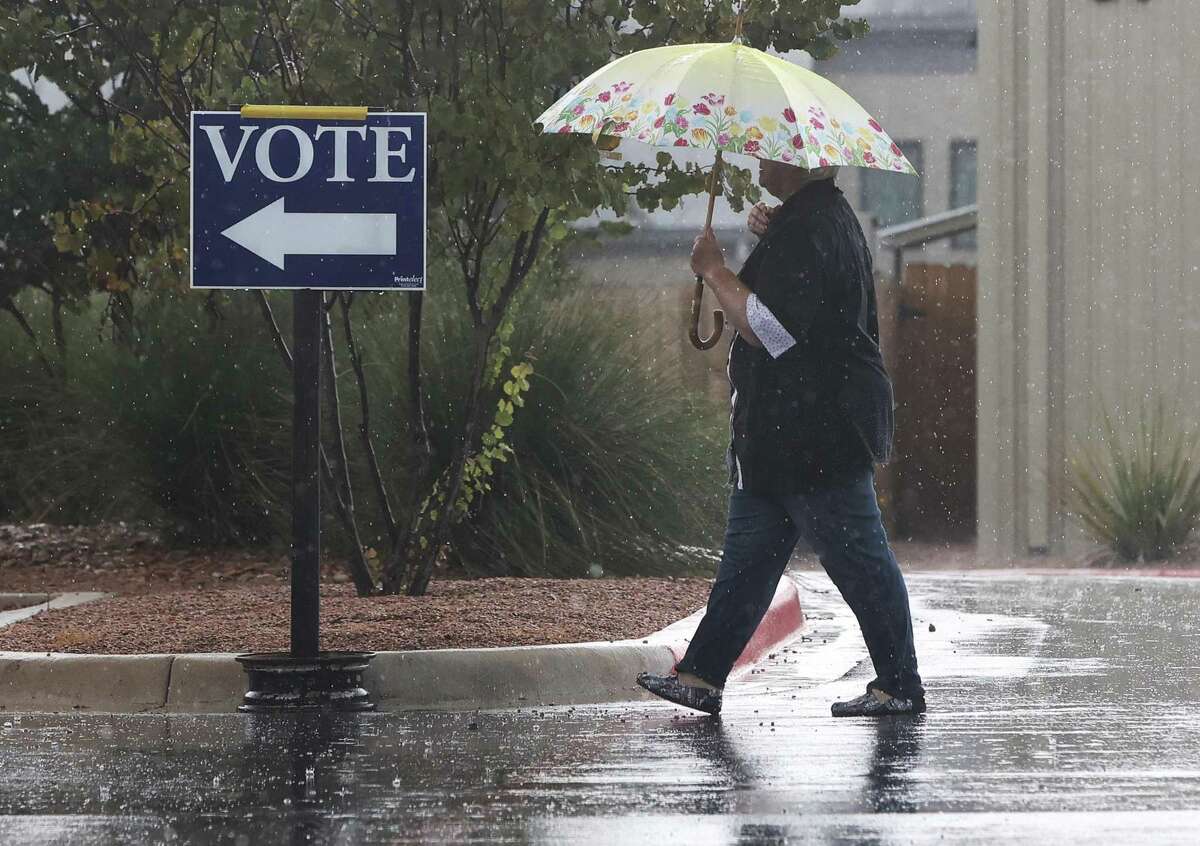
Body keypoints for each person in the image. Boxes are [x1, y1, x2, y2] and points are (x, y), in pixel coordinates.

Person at [636, 158, 925, 718]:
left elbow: (772, 330)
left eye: (773, 151)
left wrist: (716, 271)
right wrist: (774, 236)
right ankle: (701, 676)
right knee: (748, 561)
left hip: (814, 437)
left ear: (800, 165)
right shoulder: (814, 221)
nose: (761, 158)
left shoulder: (811, 229)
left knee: (860, 561)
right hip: (780, 439)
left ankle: (899, 683)